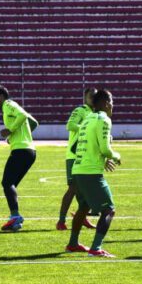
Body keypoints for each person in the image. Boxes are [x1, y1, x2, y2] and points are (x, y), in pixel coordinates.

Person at [66, 89, 121, 258]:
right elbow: (105, 148)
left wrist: (101, 159)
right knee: (109, 209)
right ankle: (96, 248)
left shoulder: (87, 119)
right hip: (91, 172)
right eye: (112, 102)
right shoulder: (104, 119)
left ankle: (73, 244)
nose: (113, 105)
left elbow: (76, 147)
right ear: (106, 103)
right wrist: (116, 156)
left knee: (84, 206)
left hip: (78, 169)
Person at [0, 86, 40, 232]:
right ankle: (15, 220)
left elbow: (22, 115)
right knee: (10, 185)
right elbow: (33, 123)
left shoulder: (8, 104)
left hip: (21, 151)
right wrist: (15, 136)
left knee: (7, 183)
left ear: (1, 96)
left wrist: (10, 130)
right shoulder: (10, 107)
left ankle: (15, 217)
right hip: (29, 151)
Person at [56, 88, 96, 231]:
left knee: (85, 189)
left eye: (95, 97)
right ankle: (61, 221)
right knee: (73, 188)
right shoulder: (80, 110)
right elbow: (70, 125)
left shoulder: (96, 114)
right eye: (90, 96)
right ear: (85, 97)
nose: (93, 99)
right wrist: (87, 128)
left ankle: (82, 217)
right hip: (74, 155)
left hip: (86, 156)